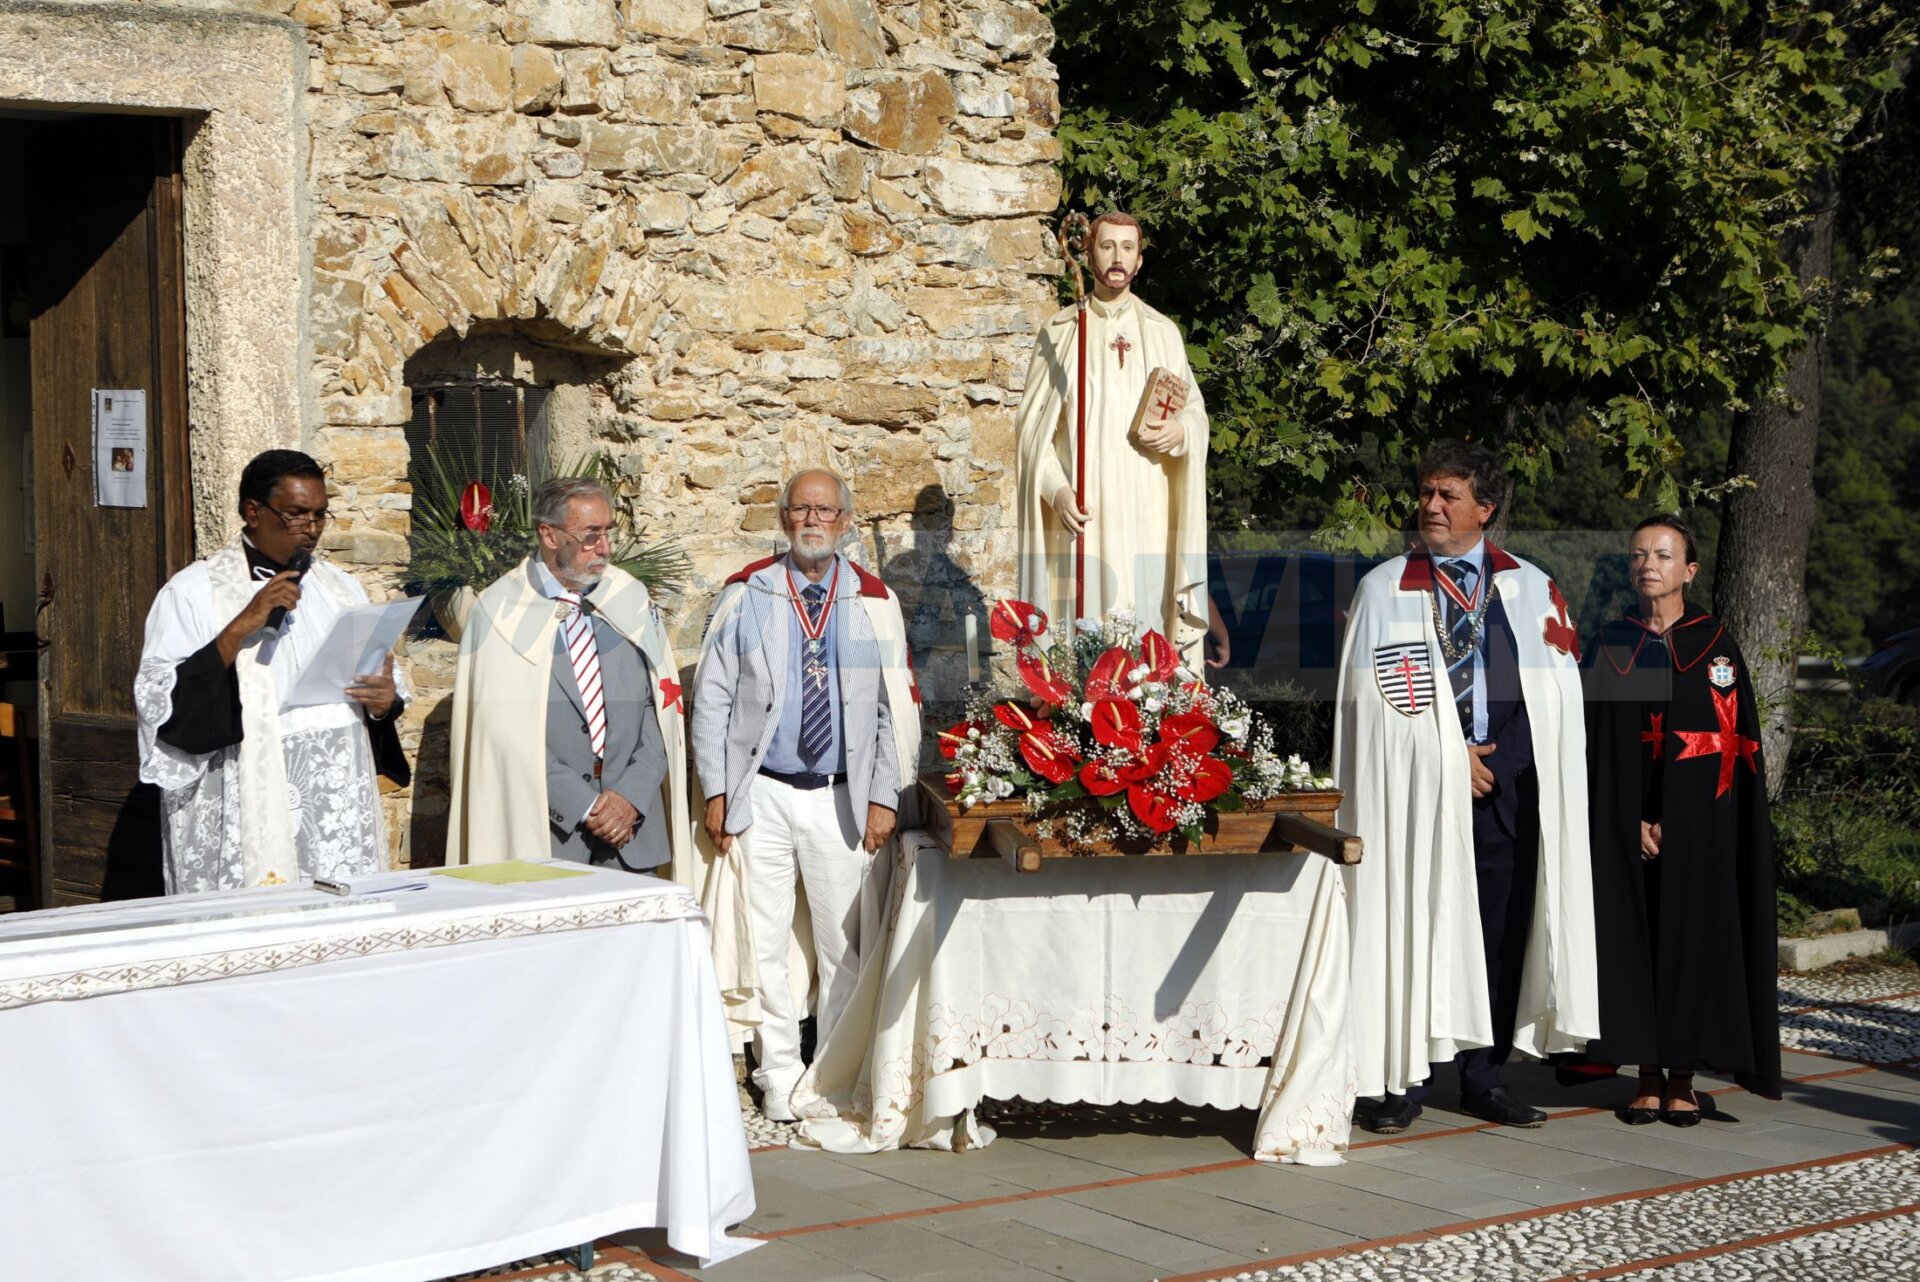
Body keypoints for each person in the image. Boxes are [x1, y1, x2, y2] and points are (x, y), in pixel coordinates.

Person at [1335, 439, 1598, 1132]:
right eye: (1425, 493)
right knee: (1416, 926)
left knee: (1498, 938)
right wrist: (1451, 758)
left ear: (1485, 508)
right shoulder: (1384, 588)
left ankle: (1483, 1079)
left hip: (1502, 795)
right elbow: (1373, 709)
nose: (1430, 507)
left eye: (1448, 496)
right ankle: (1402, 1082)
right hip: (1416, 798)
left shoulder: (1531, 586)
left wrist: (1495, 764)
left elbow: (1557, 701)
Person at [690, 468, 921, 1122]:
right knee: (764, 941)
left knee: (842, 942)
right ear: (785, 517)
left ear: (845, 522)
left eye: (825, 510)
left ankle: (834, 1074)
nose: (811, 520)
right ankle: (776, 1073)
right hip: (761, 794)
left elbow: (890, 710)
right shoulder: (749, 596)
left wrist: (885, 796)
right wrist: (718, 790)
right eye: (800, 509)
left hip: (839, 797)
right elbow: (712, 699)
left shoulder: (871, 601)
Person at [135, 449, 410, 893]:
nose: (313, 529)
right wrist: (238, 628)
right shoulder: (192, 592)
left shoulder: (340, 587)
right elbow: (161, 700)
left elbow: (376, 685)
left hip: (332, 798)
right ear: (253, 512)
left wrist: (383, 701)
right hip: (246, 793)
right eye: (297, 515)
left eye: (321, 515)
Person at [1581, 516, 1780, 1123]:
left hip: (1698, 831)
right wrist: (1629, 821)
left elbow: (1729, 744)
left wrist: (1680, 821)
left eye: (1663, 555)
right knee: (1632, 939)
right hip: (1624, 830)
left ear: (1688, 570)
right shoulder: (1614, 644)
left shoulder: (1713, 645)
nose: (1648, 564)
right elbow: (1596, 748)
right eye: (1638, 554)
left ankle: (1684, 1075)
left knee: (1693, 939)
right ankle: (1645, 1070)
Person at [447, 477, 690, 874]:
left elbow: (658, 706)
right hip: (545, 836)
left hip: (631, 833)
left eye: (607, 532)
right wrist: (585, 805)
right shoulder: (497, 611)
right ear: (550, 535)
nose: (606, 549)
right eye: (591, 536)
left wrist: (630, 797)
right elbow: (502, 733)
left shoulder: (627, 596)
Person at [1014, 211, 1211, 663]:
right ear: (1089, 253)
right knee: (1085, 632)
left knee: (1144, 624)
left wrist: (1180, 430)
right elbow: (1031, 431)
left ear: (1139, 261)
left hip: (1148, 512)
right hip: (1085, 514)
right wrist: (1057, 490)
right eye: (1107, 246)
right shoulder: (1060, 334)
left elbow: (1196, 414)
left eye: (1127, 248)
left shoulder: (1163, 334)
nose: (1117, 257)